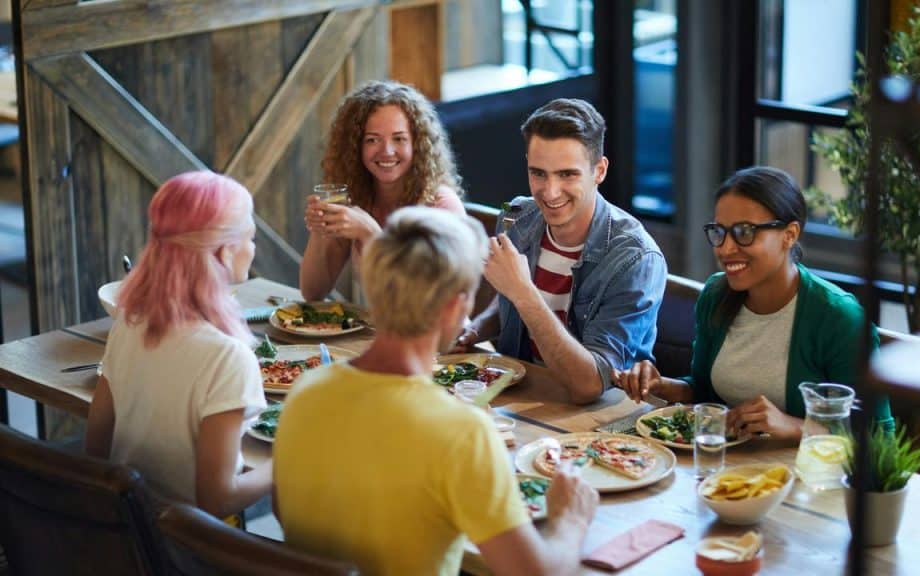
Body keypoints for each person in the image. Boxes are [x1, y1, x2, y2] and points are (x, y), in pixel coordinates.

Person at [274, 207, 598, 576]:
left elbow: (285, 515)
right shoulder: (461, 433)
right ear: (455, 307)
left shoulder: (306, 391)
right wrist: (570, 519)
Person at [616, 166, 894, 440]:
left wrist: (793, 426)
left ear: (790, 234)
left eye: (745, 232)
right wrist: (660, 385)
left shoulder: (838, 318)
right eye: (719, 232)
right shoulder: (716, 294)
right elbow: (704, 392)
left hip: (805, 478)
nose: (725, 248)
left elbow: (879, 437)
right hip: (729, 472)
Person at [454, 98, 667, 404]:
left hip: (602, 422)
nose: (550, 192)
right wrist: (476, 330)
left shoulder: (636, 258)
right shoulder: (517, 217)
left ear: (599, 171)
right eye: (538, 173)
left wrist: (523, 291)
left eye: (567, 174)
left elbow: (590, 386)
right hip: (522, 397)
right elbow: (508, 303)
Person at [85, 171, 270, 518]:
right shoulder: (228, 357)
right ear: (225, 252)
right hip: (190, 554)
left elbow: (95, 446)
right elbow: (218, 499)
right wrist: (284, 464)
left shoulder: (129, 324)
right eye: (250, 237)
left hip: (128, 534)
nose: (253, 248)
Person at [300, 80, 466, 303]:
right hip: (377, 331)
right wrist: (321, 228)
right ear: (355, 147)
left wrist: (371, 234)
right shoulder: (358, 197)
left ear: (418, 145)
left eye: (399, 139)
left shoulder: (440, 206)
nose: (386, 151)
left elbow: (429, 306)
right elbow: (313, 292)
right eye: (372, 140)